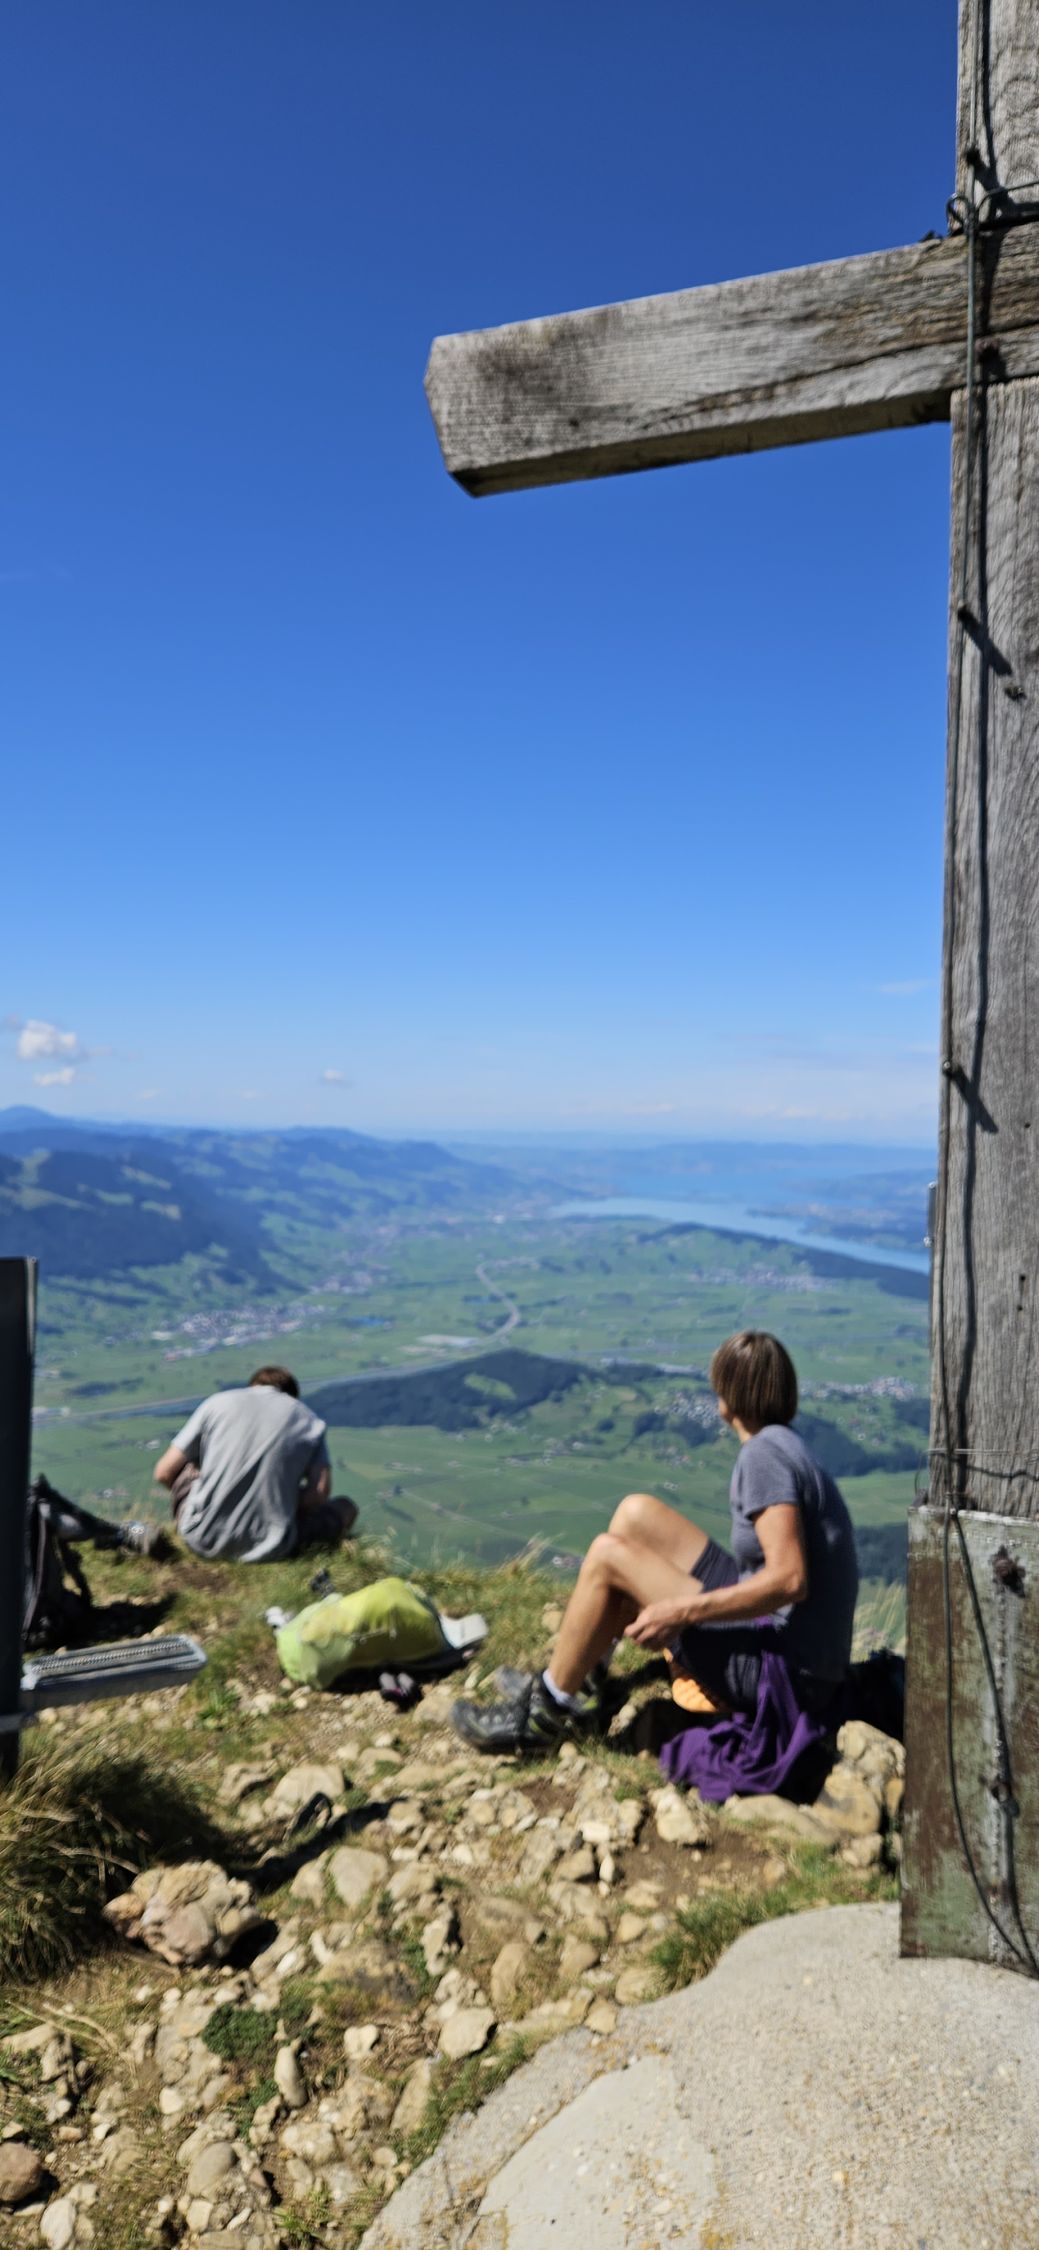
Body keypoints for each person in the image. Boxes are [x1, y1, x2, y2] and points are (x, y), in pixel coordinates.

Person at [451, 1330, 859, 1773]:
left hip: (782, 1675)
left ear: (728, 1393)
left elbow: (789, 1580)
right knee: (635, 1514)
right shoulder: (783, 1443)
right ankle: (586, 1682)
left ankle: (542, 1716)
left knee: (608, 1555)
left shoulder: (764, 1456)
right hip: (794, 1650)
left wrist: (682, 1612)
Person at [153, 1365, 357, 1564]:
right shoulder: (310, 1421)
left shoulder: (216, 1403)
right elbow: (318, 1494)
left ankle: (186, 1521)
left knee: (189, 1466)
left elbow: (163, 1472)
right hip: (274, 1547)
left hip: (199, 1537)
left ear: (253, 1385)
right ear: (292, 1396)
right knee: (346, 1507)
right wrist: (281, 1499)